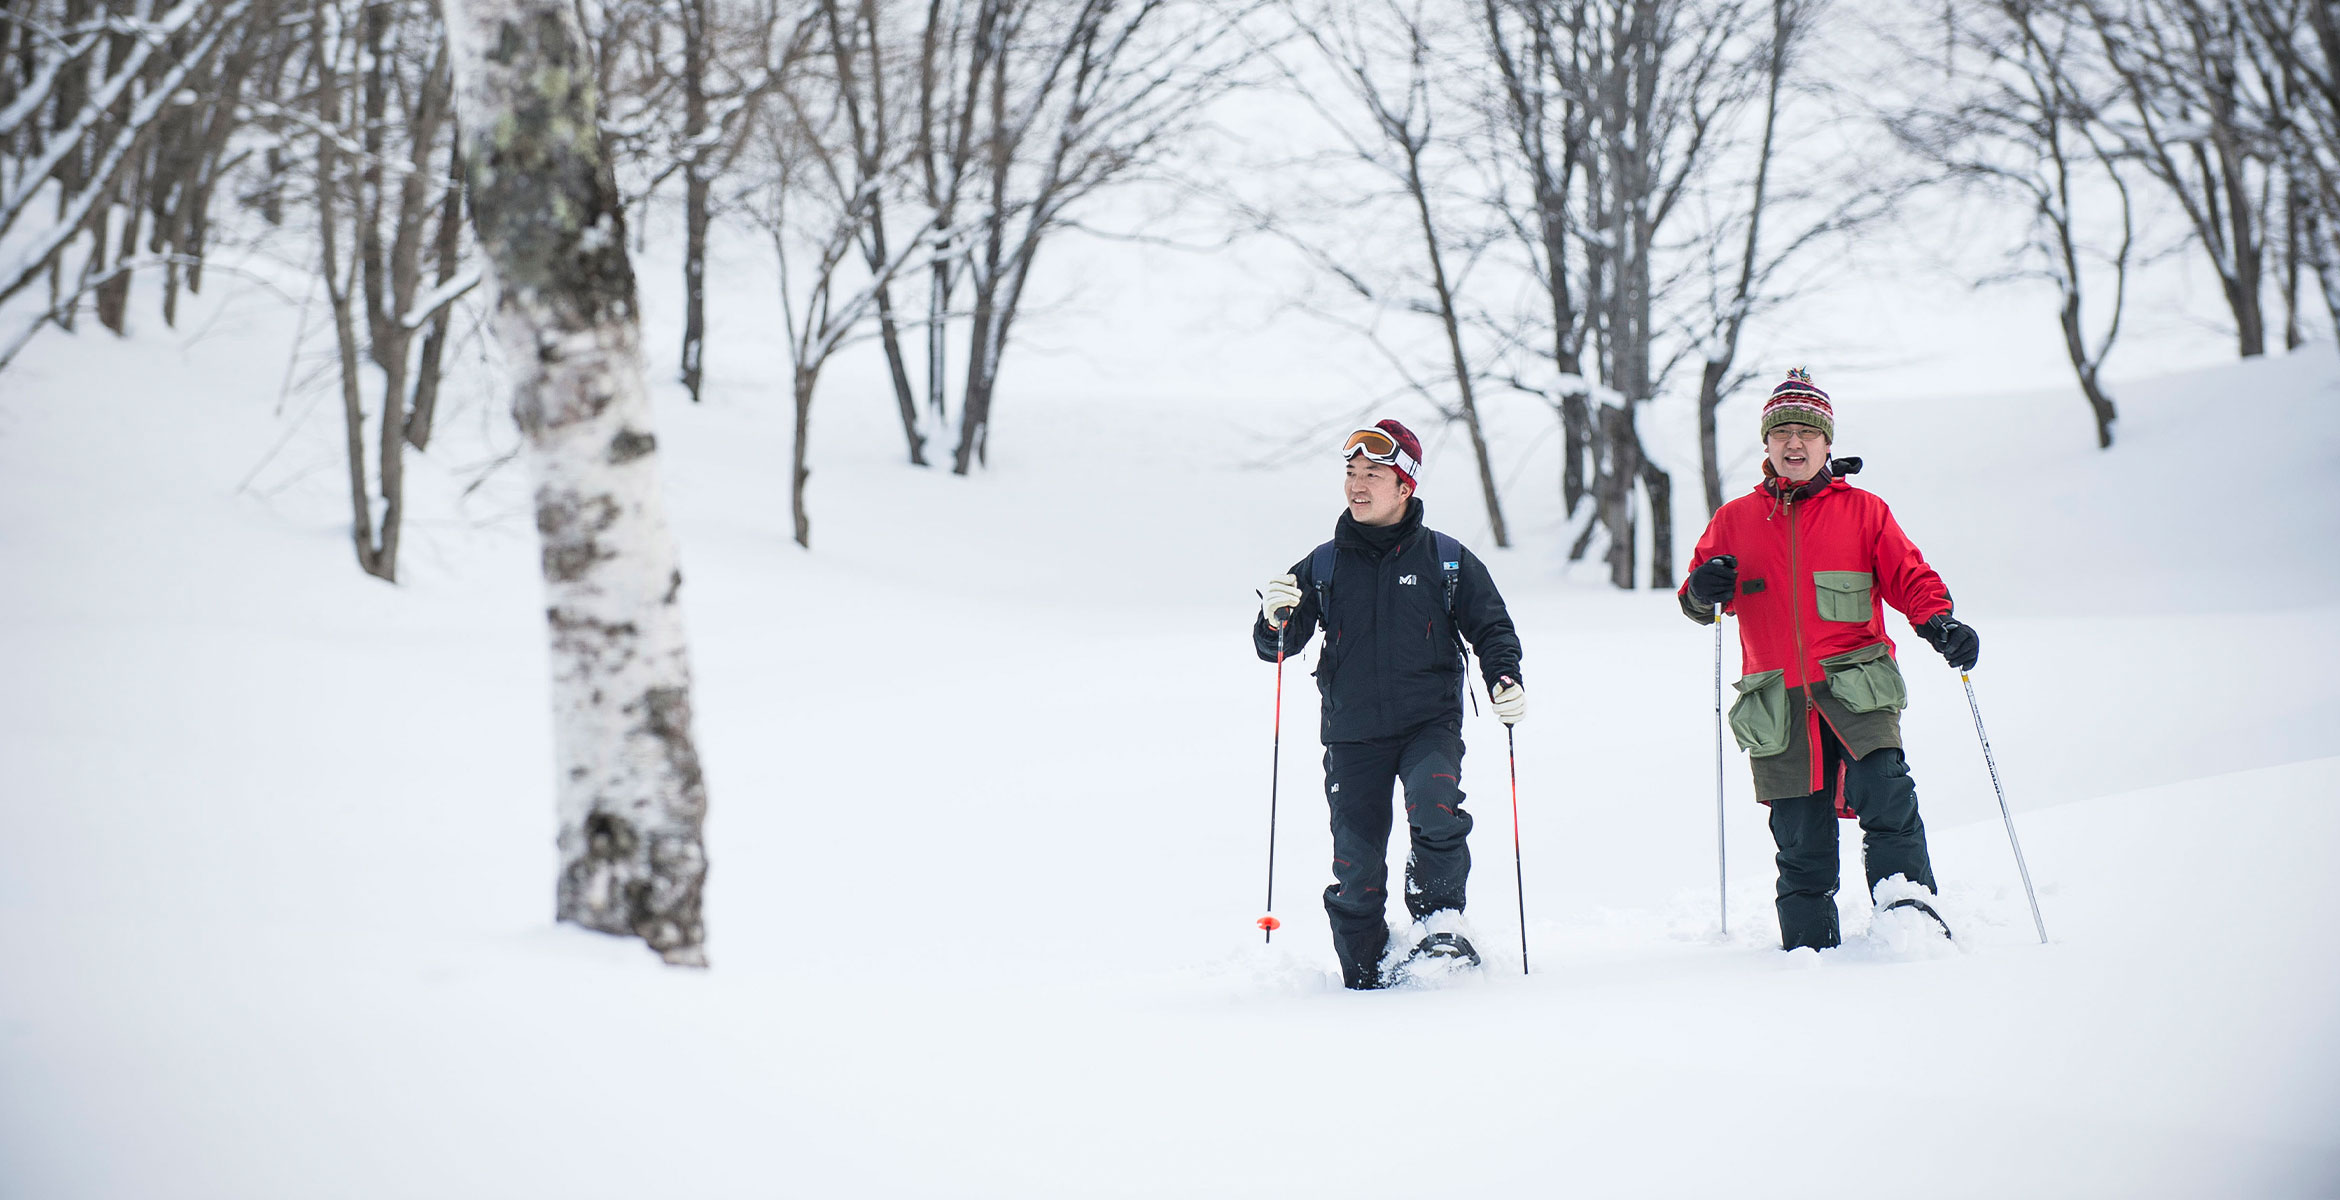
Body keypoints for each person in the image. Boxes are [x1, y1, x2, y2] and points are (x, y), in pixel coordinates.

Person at [1678, 369, 1981, 950]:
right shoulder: (1734, 521)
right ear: (1766, 444)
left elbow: (1909, 576)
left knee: (1886, 792)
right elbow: (1695, 604)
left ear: (1826, 443)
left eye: (1807, 433)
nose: (1794, 443)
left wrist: (1938, 621)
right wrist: (1702, 588)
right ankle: (1808, 947)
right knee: (1799, 837)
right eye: (1782, 432)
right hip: (1777, 704)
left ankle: (1908, 912)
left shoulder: (1863, 511)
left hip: (1857, 685)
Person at [1253, 420, 1525, 989]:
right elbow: (1276, 647)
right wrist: (1273, 617)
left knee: (1435, 806)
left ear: (1405, 487)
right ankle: (1365, 968)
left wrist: (1504, 678)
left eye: (1372, 474)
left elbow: (1492, 627)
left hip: (1428, 724)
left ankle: (1440, 926)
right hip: (1351, 733)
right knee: (1355, 862)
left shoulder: (1447, 560)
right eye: (1351, 473)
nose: (1357, 484)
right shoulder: (1324, 564)